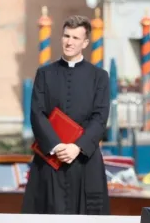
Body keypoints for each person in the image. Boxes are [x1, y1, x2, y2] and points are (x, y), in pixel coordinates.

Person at [21, 15, 110, 215]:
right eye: (66, 36)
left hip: (85, 160)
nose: (69, 42)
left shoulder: (100, 77)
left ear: (85, 43)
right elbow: (37, 113)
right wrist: (57, 146)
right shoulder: (44, 73)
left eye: (75, 38)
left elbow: (100, 117)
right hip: (51, 159)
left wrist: (77, 147)